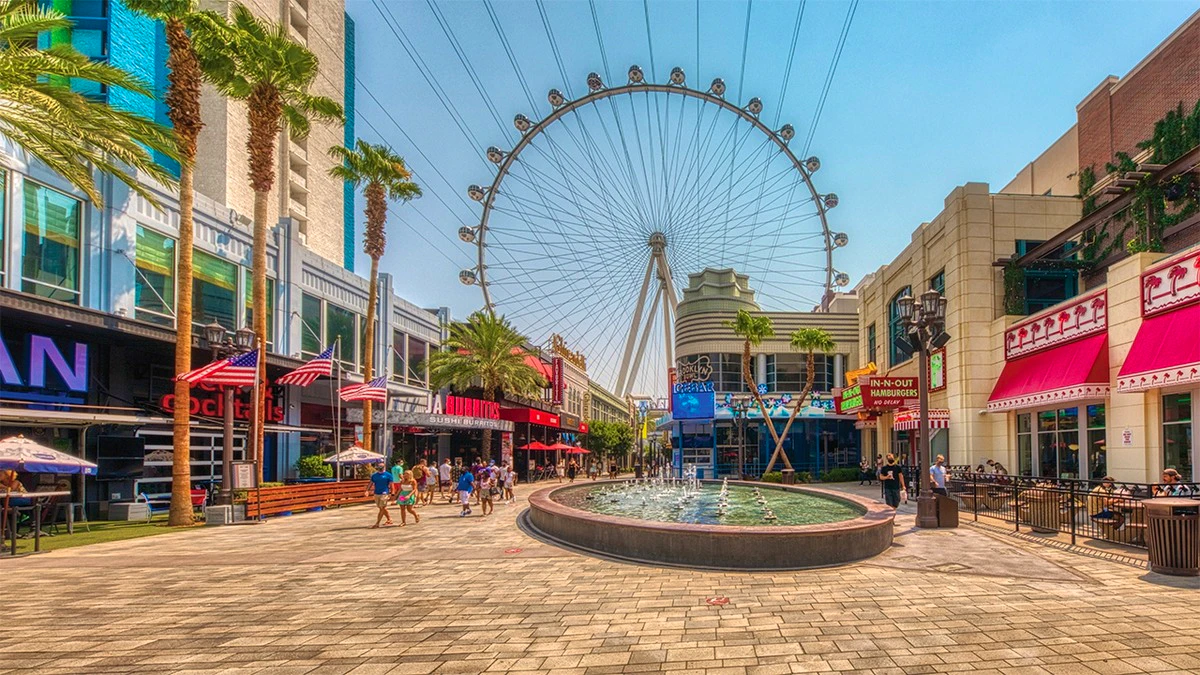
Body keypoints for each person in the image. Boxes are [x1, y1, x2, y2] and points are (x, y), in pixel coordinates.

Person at [368, 464, 394, 528]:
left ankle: (377, 523)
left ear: (384, 467)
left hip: (384, 493)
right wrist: (367, 490)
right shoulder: (374, 475)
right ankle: (389, 519)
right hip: (377, 493)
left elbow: (391, 485)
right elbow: (371, 483)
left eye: (381, 467)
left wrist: (392, 493)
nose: (380, 468)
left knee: (382, 508)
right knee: (381, 507)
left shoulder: (388, 475)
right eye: (379, 467)